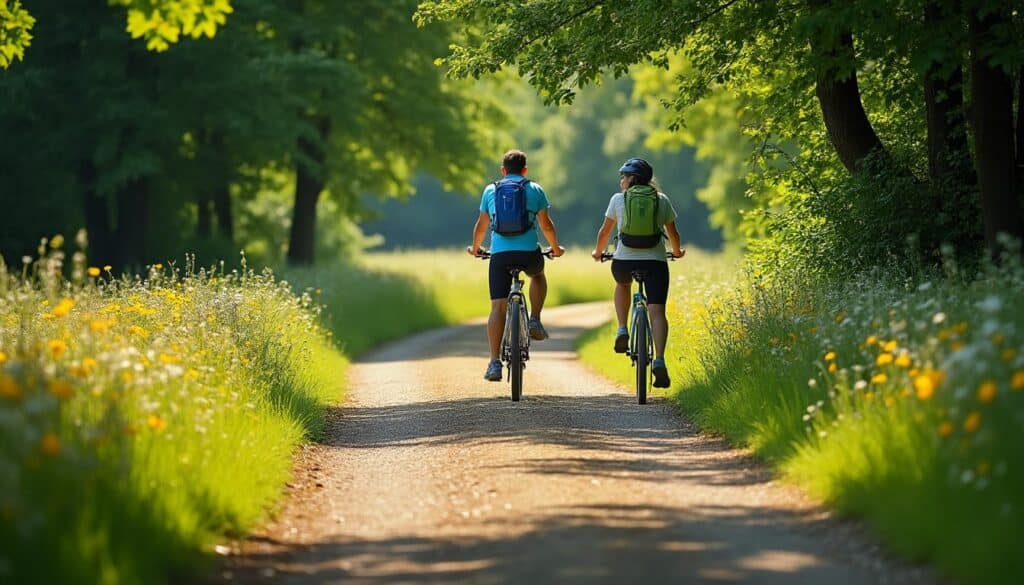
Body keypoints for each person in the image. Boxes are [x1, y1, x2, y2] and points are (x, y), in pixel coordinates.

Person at [469, 149, 564, 382]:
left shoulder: (491, 190)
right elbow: (547, 225)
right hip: (529, 253)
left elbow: (481, 226)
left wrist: (475, 248)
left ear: (503, 170)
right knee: (538, 276)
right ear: (525, 170)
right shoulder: (535, 189)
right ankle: (535, 318)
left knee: (497, 308)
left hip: (500, 256)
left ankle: (494, 362)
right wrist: (556, 248)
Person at [591, 157, 684, 388]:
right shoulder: (661, 200)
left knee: (623, 285)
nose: (621, 180)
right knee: (657, 312)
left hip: (624, 262)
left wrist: (598, 252)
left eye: (623, 176)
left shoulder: (618, 200)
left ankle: (622, 328)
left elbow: (604, 232)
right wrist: (677, 251)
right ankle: (660, 360)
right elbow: (673, 233)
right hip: (656, 264)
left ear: (632, 179)